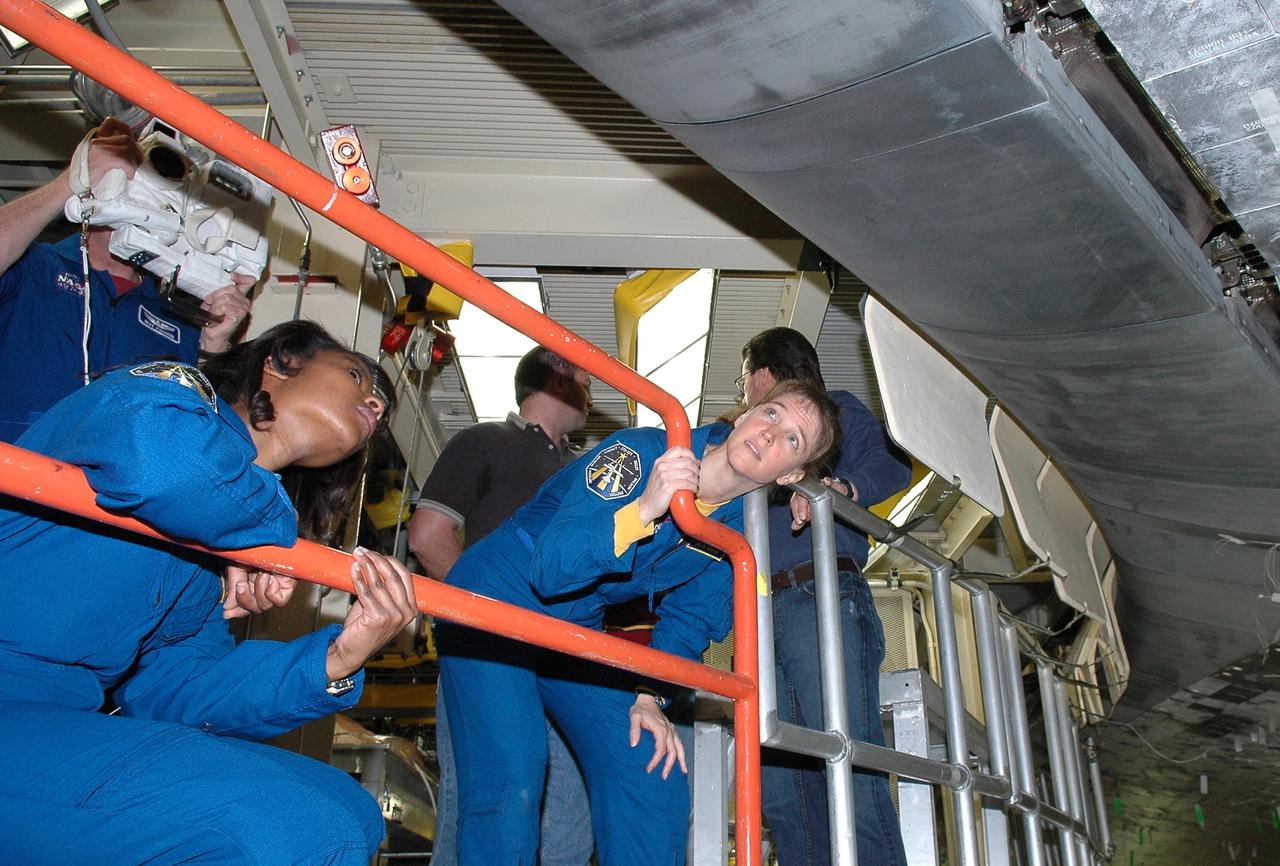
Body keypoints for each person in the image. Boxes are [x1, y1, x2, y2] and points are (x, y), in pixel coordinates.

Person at [0, 320, 418, 865]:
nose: (376, 405)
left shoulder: (209, 556)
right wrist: (271, 537)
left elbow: (173, 693)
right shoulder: (172, 394)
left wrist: (341, 655)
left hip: (45, 715)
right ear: (282, 361)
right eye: (358, 375)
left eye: (383, 404)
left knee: (349, 808)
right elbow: (162, 465)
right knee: (298, 829)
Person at [439, 378, 841, 865]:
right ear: (744, 415)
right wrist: (643, 509)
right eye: (772, 414)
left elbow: (688, 623)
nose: (772, 434)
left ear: (790, 475)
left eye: (793, 440)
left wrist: (649, 698)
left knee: (652, 767)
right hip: (498, 591)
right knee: (513, 773)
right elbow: (550, 568)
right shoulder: (643, 452)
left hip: (574, 626)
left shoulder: (737, 542)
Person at [407, 345, 596, 866]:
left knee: (568, 830)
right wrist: (487, 611)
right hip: (490, 651)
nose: (593, 384)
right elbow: (428, 535)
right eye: (585, 372)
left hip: (564, 656)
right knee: (484, 810)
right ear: (558, 373)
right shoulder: (485, 440)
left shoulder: (584, 473)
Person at [740, 327, 912, 866]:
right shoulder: (747, 446)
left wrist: (842, 489)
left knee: (848, 770)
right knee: (785, 794)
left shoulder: (836, 412)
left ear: (762, 375)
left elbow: (892, 463)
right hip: (762, 611)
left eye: (745, 379)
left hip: (821, 594)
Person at [0, 117, 253, 443]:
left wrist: (212, 346)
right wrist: (71, 182)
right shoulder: (34, 268)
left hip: (98, 492)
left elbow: (187, 432)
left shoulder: (176, 317)